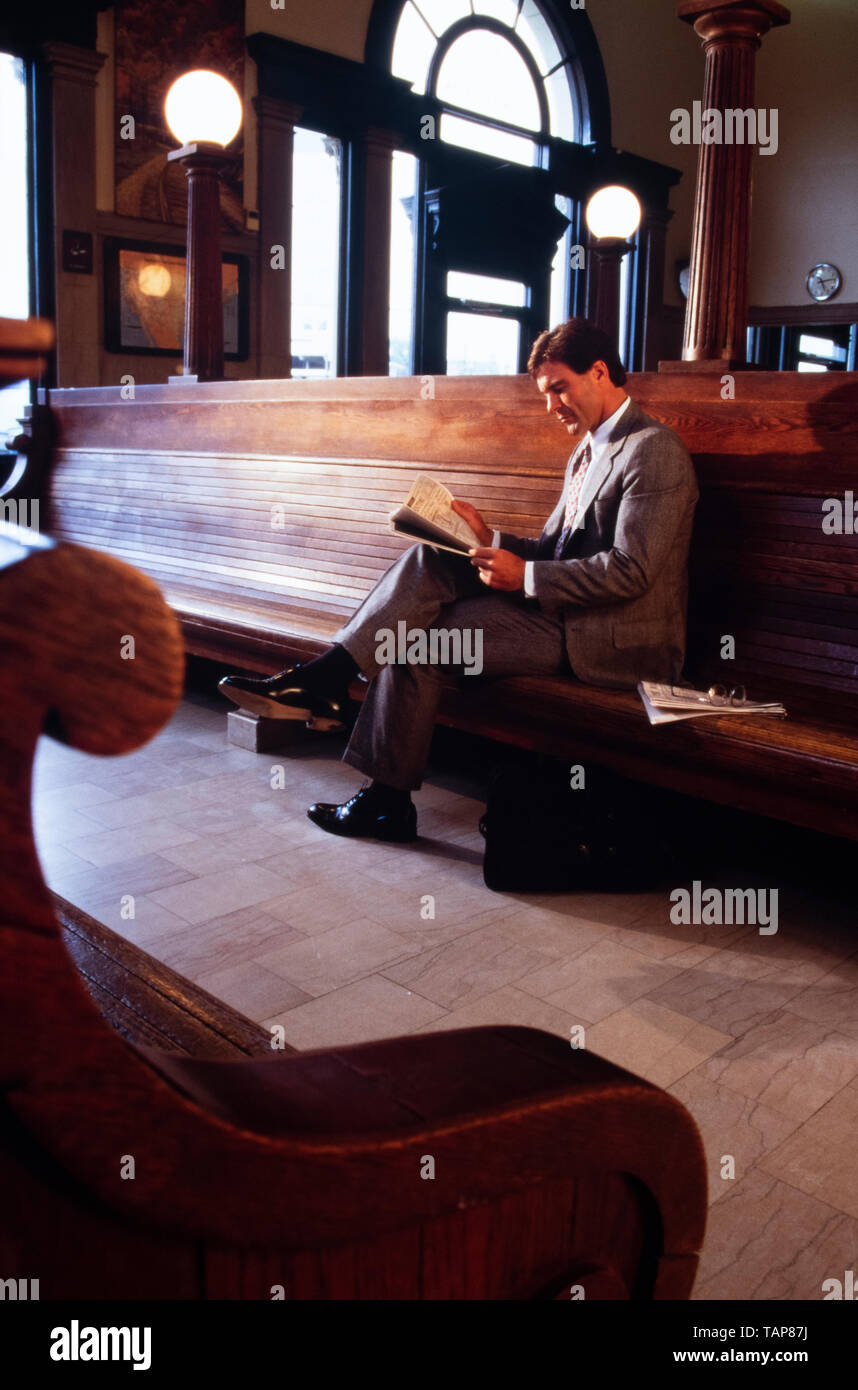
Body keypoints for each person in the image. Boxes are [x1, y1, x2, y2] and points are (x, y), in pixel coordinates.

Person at [220, 318, 699, 843]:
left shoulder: (652, 449)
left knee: (417, 642)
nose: (550, 406)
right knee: (433, 563)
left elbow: (632, 570)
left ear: (600, 371)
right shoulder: (587, 449)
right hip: (562, 615)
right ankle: (335, 692)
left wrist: (527, 576)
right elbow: (557, 551)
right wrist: (486, 537)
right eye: (545, 393)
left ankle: (362, 755)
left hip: (610, 637)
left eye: (558, 389)